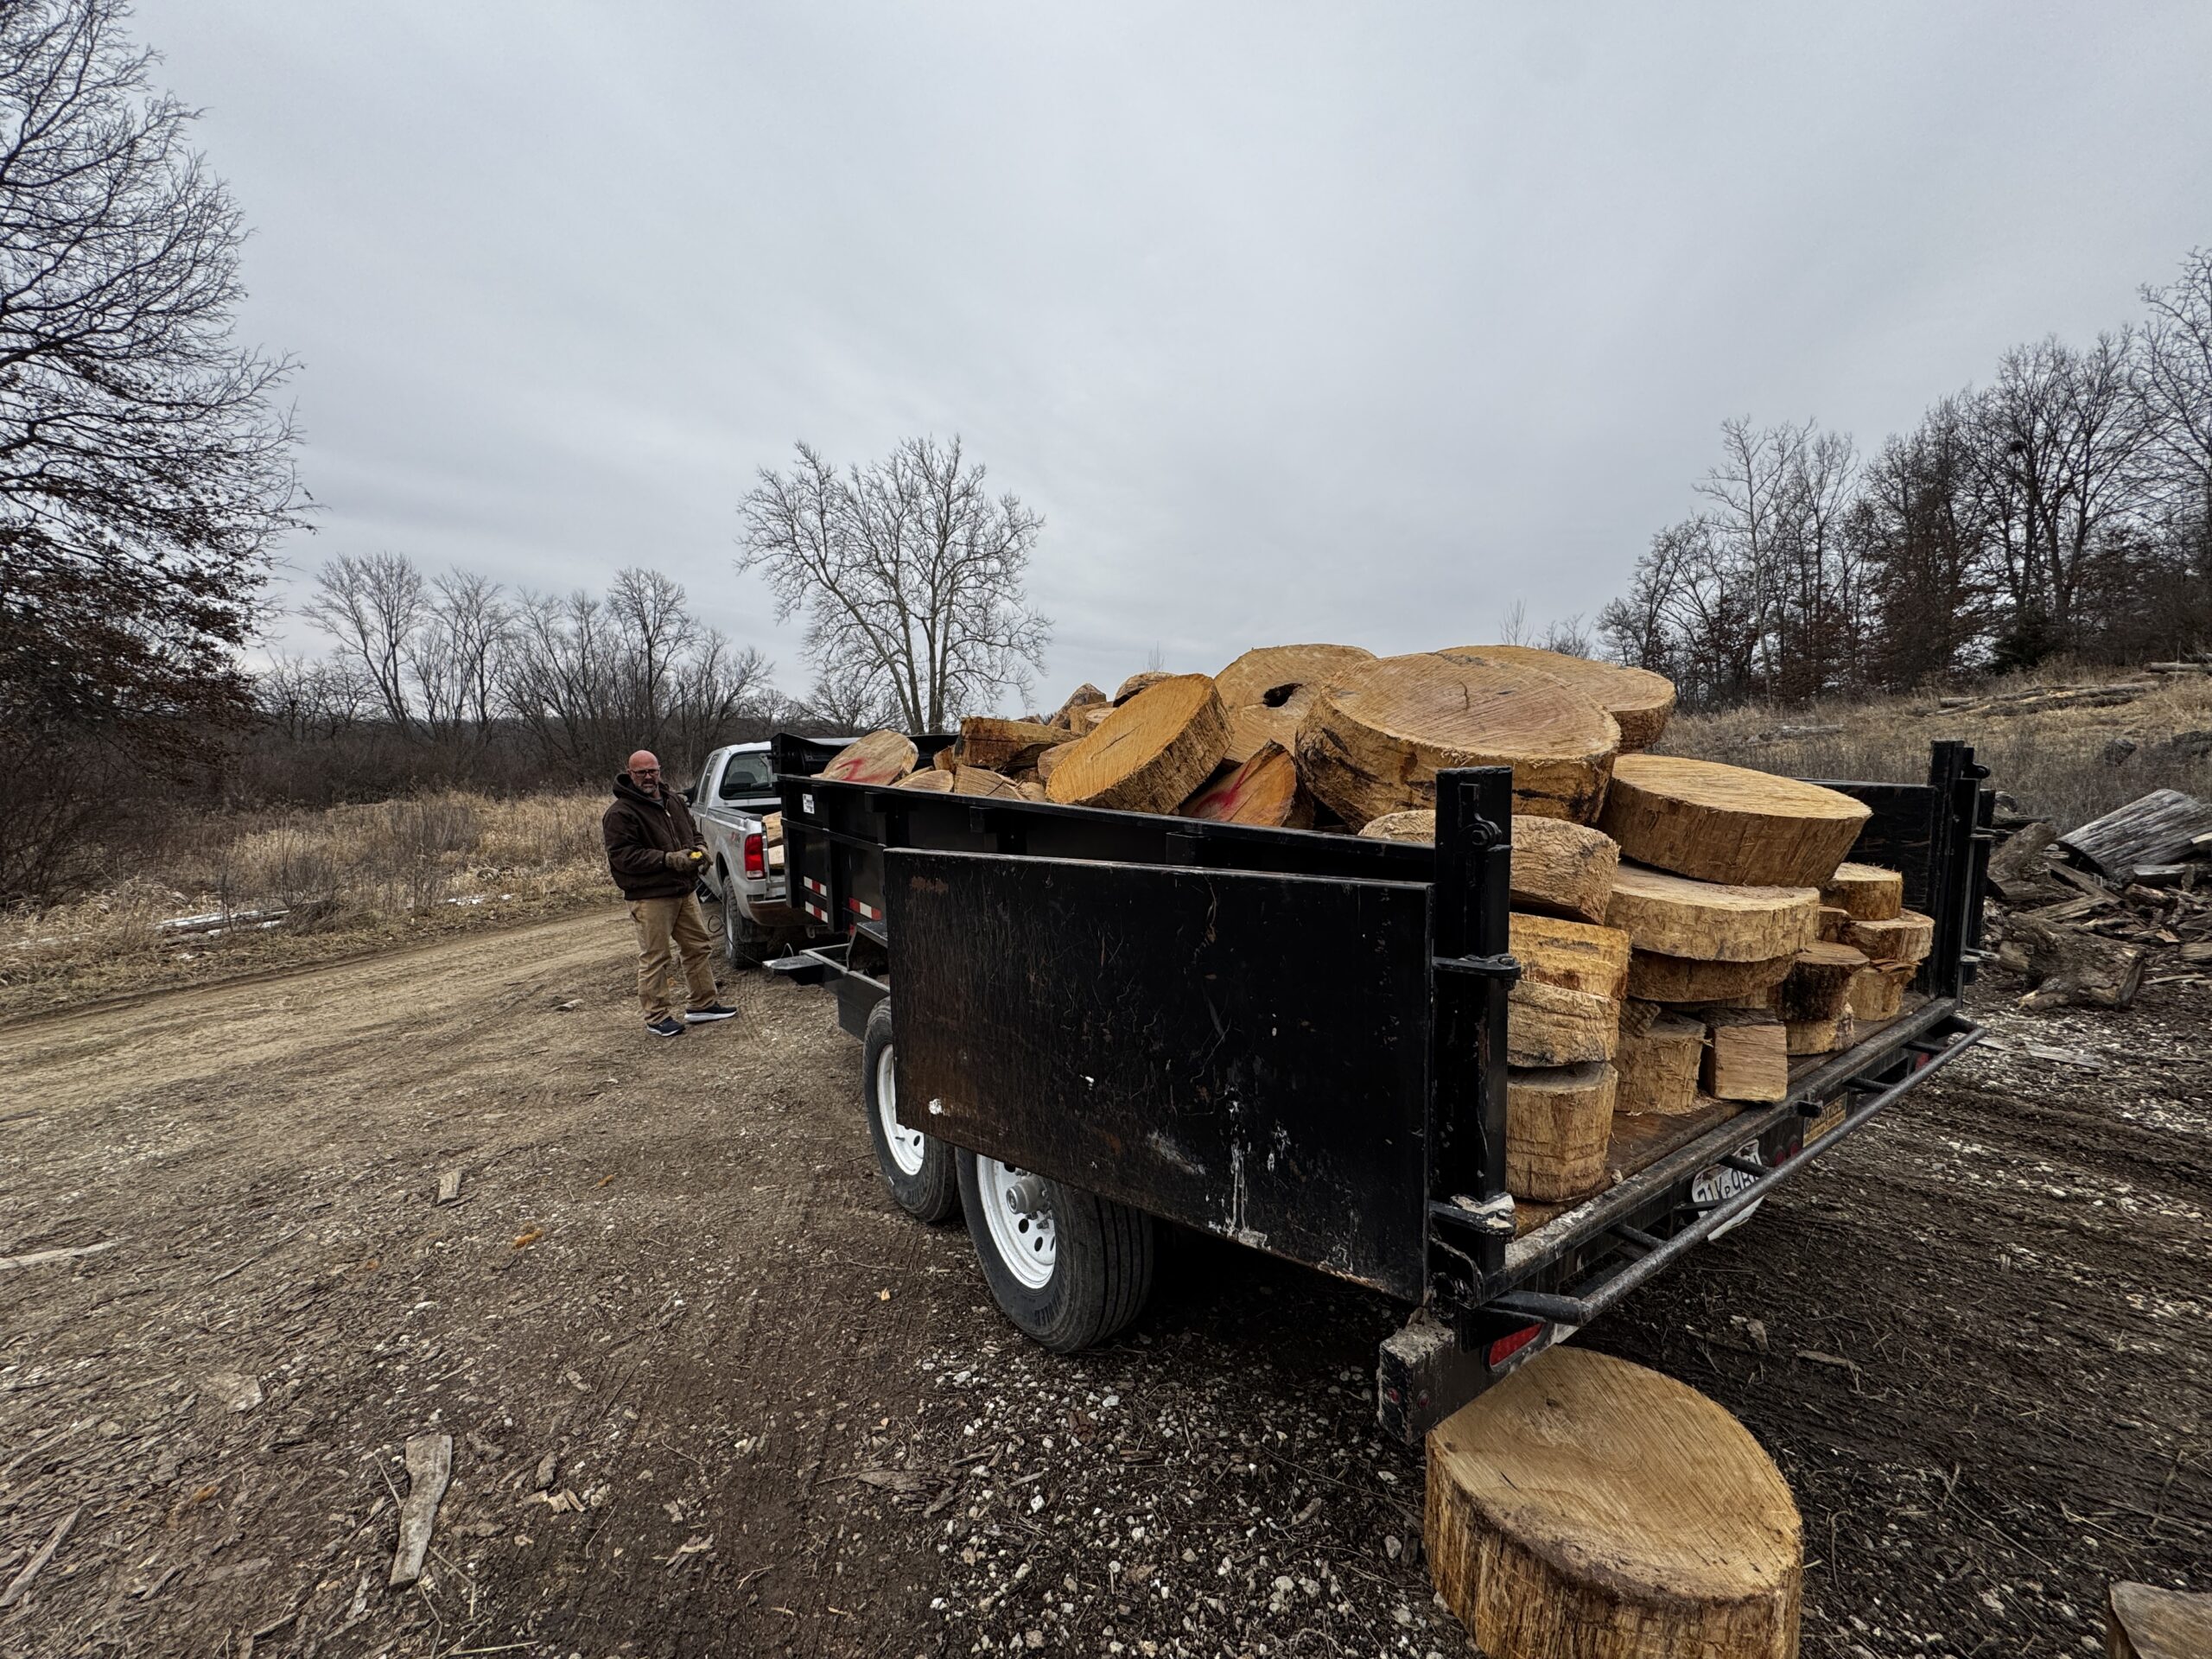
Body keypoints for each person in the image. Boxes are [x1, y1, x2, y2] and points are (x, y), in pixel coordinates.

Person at [602, 748, 736, 1038]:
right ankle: (657, 1016)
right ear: (630, 774)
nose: (649, 777)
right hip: (650, 896)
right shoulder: (620, 813)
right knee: (656, 956)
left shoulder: (673, 800)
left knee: (698, 947)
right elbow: (623, 857)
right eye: (642, 772)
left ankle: (702, 1004)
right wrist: (668, 859)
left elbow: (693, 831)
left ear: (659, 770)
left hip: (684, 890)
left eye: (653, 771)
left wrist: (700, 848)